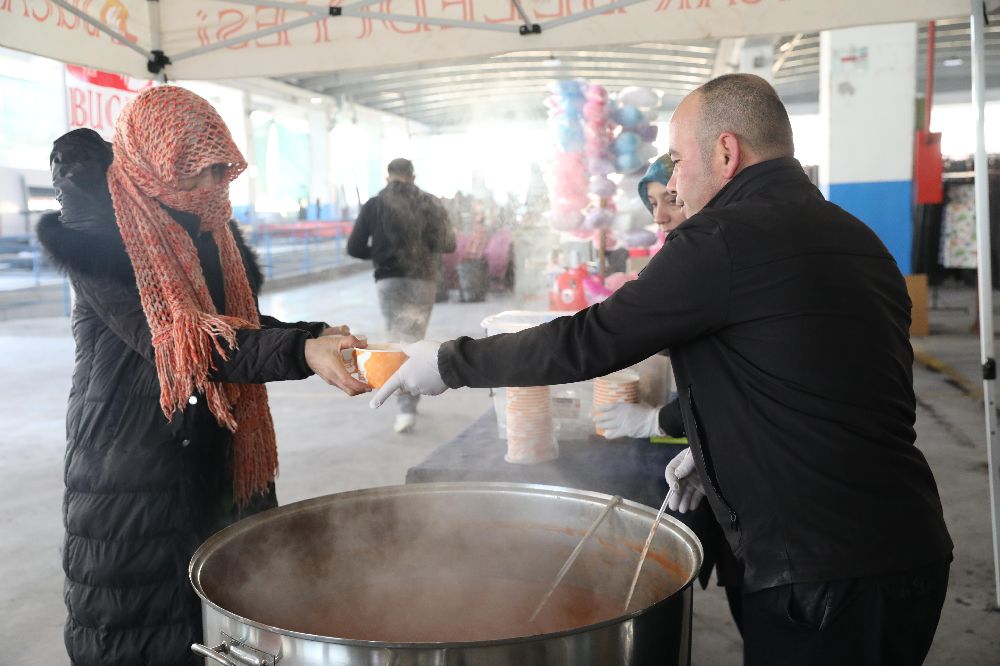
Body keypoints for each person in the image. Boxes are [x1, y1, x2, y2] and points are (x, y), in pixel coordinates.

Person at [371, 74, 954, 664]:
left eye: (677, 160)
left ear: (726, 153)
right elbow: (818, 378)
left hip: (823, 569)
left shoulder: (721, 238)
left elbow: (590, 340)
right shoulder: (856, 237)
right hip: (907, 542)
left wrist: (449, 361)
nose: (672, 181)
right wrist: (716, 447)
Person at [39, 86, 368, 666]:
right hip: (136, 468)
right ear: (152, 162)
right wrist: (300, 352)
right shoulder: (98, 240)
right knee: (145, 633)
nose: (205, 188)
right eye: (191, 173)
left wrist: (315, 335)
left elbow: (234, 324)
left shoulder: (207, 226)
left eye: (218, 172)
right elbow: (189, 346)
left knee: (232, 625)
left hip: (217, 446)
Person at [347, 158, 455, 433]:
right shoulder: (430, 203)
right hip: (423, 281)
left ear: (388, 177)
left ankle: (405, 409)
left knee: (399, 340)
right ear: (413, 175)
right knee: (415, 338)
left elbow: (354, 247)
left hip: (389, 281)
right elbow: (449, 243)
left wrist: (382, 255)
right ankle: (409, 404)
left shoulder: (374, 204)